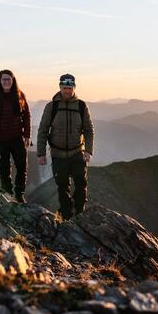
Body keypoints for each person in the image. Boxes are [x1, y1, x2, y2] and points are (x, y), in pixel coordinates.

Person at [36, 73, 93, 220]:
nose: (67, 91)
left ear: (74, 88)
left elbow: (88, 129)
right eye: (64, 88)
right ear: (60, 87)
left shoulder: (81, 106)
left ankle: (80, 214)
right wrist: (41, 153)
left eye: (70, 88)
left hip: (77, 153)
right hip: (58, 154)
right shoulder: (52, 106)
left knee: (81, 184)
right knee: (63, 187)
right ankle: (66, 217)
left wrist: (88, 151)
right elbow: (43, 129)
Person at [0, 69, 31, 202]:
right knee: (4, 168)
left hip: (17, 138)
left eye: (8, 79)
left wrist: (27, 135)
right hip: (0, 139)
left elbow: (26, 116)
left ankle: (19, 194)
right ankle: (8, 194)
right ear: (0, 80)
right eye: (3, 79)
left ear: (13, 80)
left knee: (22, 166)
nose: (6, 82)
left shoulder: (20, 95)